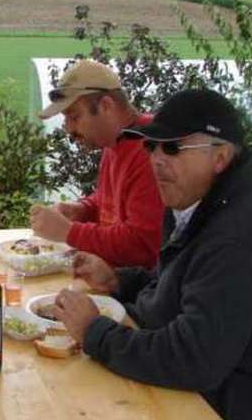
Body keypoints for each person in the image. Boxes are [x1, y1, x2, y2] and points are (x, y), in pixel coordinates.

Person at [52, 89, 252, 420]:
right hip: (190, 386)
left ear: (220, 157)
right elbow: (176, 283)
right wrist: (119, 281)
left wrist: (95, 333)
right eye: (151, 147)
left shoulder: (236, 239)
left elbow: (193, 360)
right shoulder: (195, 204)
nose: (155, 159)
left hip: (219, 416)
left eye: (172, 148)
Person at [31, 59, 163, 268]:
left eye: (74, 117)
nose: (68, 129)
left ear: (106, 106)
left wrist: (69, 232)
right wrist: (81, 210)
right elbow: (110, 203)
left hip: (139, 291)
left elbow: (142, 245)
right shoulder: (115, 142)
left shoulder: (151, 150)